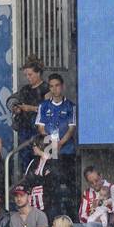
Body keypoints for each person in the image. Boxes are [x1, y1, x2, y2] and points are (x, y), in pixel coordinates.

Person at [34, 73, 76, 219]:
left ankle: (71, 218)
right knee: (51, 187)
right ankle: (52, 219)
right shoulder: (43, 106)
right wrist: (52, 142)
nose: (54, 89)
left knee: (69, 187)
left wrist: (61, 143)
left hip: (67, 151)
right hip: (49, 151)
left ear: (62, 86)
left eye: (57, 85)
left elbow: (71, 128)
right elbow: (40, 128)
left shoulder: (70, 105)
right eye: (51, 86)